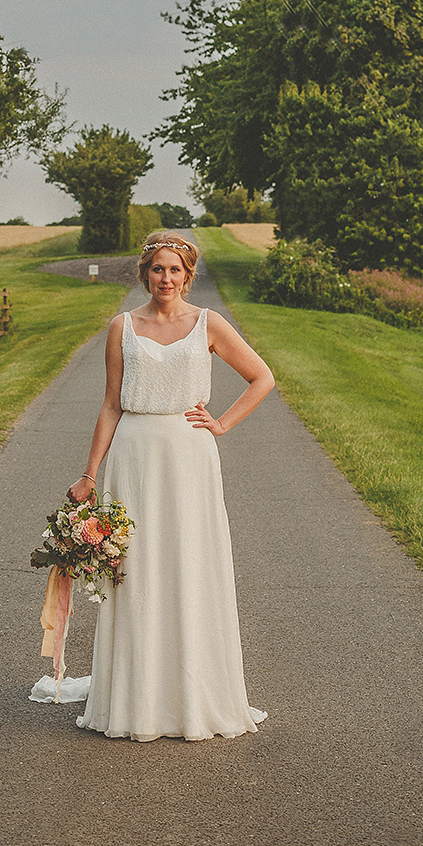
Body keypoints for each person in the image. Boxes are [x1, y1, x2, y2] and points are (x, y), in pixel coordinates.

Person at [67, 230, 274, 741]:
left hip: (189, 457)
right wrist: (90, 473)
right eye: (158, 269)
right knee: (134, 571)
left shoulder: (208, 323)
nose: (166, 278)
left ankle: (192, 695)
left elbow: (262, 377)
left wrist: (221, 424)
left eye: (175, 270)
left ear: (188, 276)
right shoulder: (122, 327)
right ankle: (134, 697)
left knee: (188, 565)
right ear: (145, 274)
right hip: (133, 455)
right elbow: (111, 403)